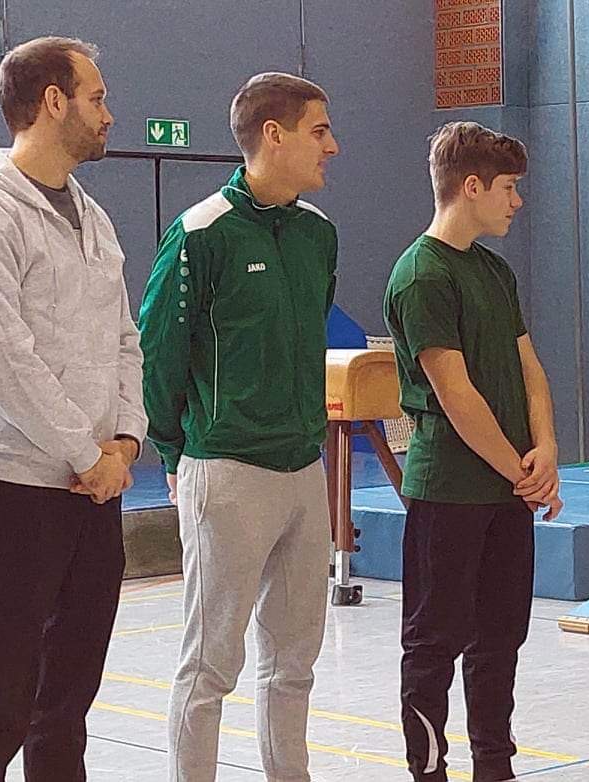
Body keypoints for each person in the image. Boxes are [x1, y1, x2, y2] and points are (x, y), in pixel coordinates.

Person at [0, 36, 147, 781]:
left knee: (66, 706)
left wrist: (125, 441)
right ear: (54, 101)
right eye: (97, 98)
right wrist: (86, 453)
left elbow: (124, 337)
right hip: (13, 489)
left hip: (96, 492)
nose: (108, 115)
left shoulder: (92, 216)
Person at [139, 71, 339, 782]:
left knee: (295, 662)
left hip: (304, 469)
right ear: (273, 135)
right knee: (210, 664)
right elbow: (159, 350)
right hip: (225, 471)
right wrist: (173, 451)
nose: (333, 147)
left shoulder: (319, 235)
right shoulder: (200, 233)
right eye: (320, 131)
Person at [384, 121, 564, 782]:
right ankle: (429, 770)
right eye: (508, 188)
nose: (517, 201)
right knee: (434, 643)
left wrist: (546, 449)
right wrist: (521, 473)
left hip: (506, 490)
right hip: (451, 491)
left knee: (500, 640)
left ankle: (495, 766)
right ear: (471, 186)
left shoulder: (493, 269)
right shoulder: (422, 274)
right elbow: (456, 394)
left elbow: (529, 370)